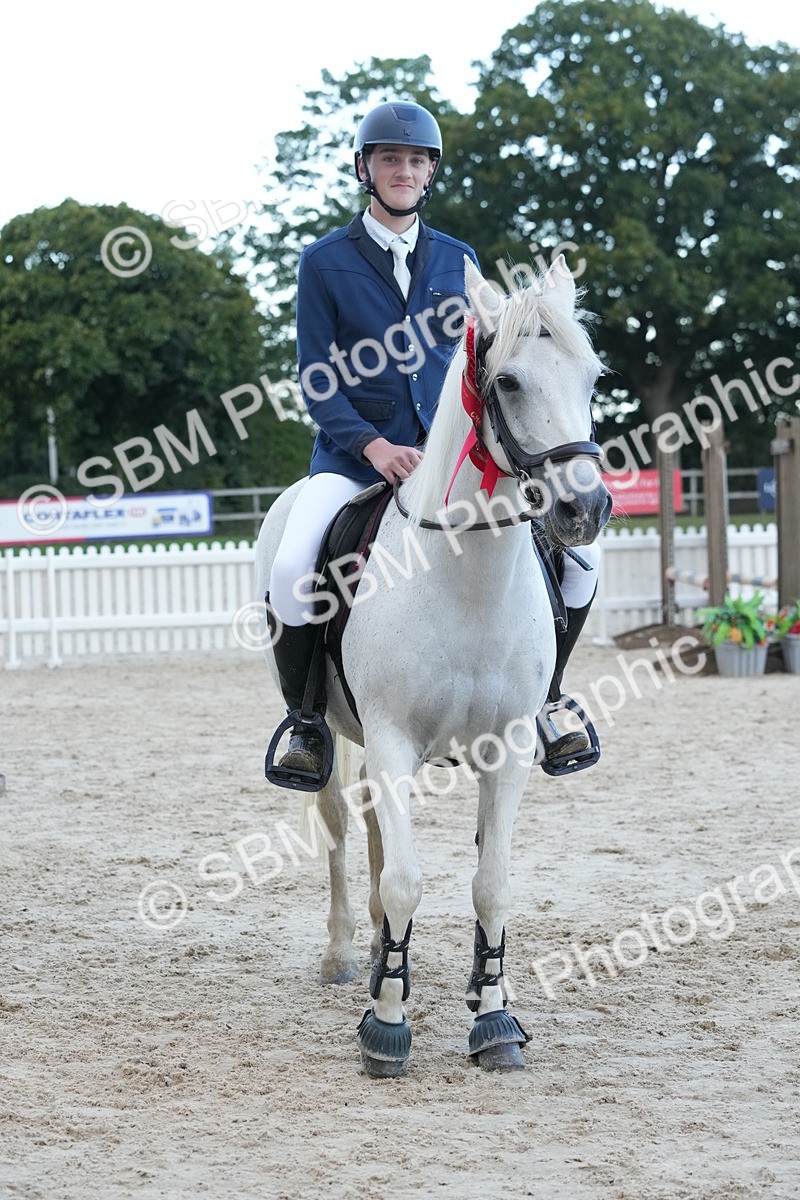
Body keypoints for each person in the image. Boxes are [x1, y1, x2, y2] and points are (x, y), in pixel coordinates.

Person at [266, 99, 599, 788]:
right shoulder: (323, 262)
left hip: (451, 460)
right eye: (391, 158)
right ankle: (307, 723)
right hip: (353, 459)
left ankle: (550, 699)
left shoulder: (458, 259)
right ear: (366, 168)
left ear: (430, 173)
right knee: (292, 566)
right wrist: (372, 448)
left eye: (416, 160)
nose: (404, 170)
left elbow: (475, 367)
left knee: (581, 556)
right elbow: (315, 379)